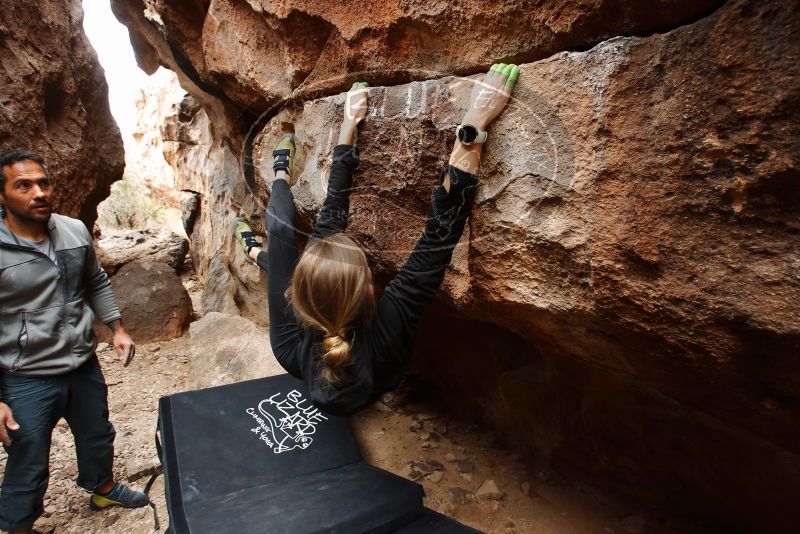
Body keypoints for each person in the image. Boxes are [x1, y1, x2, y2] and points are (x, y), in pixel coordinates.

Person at [233, 64, 520, 416]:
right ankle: (266, 218)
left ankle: (276, 187)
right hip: (377, 381)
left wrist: (348, 127)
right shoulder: (385, 336)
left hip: (369, 371)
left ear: (299, 299)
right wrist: (472, 125)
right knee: (278, 235)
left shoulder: (287, 346)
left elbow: (331, 220)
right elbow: (438, 234)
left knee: (278, 235)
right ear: (370, 290)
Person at [0, 151, 148, 534]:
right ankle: (18, 526)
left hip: (82, 362)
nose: (38, 193)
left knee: (96, 431)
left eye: (43, 183)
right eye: (23, 185)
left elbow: (94, 280)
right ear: (2, 196)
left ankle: (102, 488)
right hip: (25, 374)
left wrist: (117, 327)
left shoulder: (73, 230)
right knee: (28, 453)